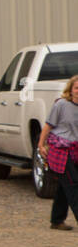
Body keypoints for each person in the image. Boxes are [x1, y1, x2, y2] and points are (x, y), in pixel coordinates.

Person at [39, 73, 78, 230]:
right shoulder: (61, 105)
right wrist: (41, 145)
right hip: (60, 149)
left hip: (75, 149)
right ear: (70, 90)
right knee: (73, 183)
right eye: (76, 88)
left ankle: (56, 220)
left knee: (63, 186)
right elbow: (48, 126)